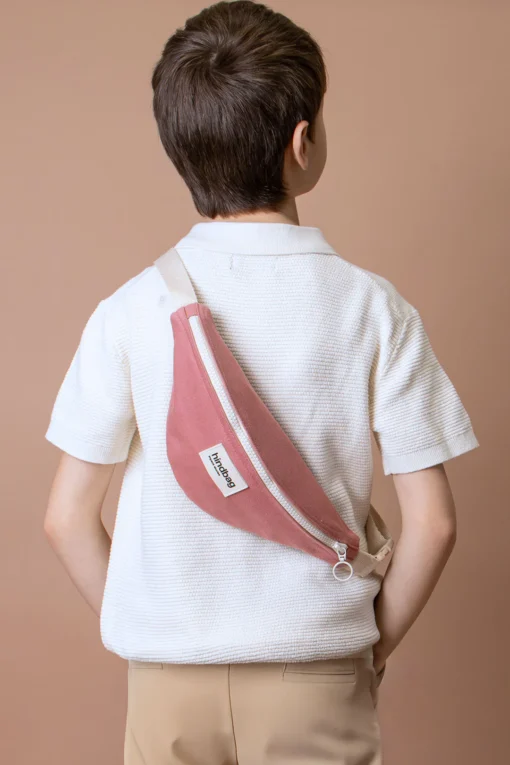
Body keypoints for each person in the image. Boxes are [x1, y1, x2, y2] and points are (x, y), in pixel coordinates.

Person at [43, 2, 479, 763]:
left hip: (167, 678)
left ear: (180, 149)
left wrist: (153, 634)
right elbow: (433, 524)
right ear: (303, 143)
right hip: (317, 670)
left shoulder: (128, 311)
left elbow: (65, 519)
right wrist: (369, 649)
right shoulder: (374, 308)